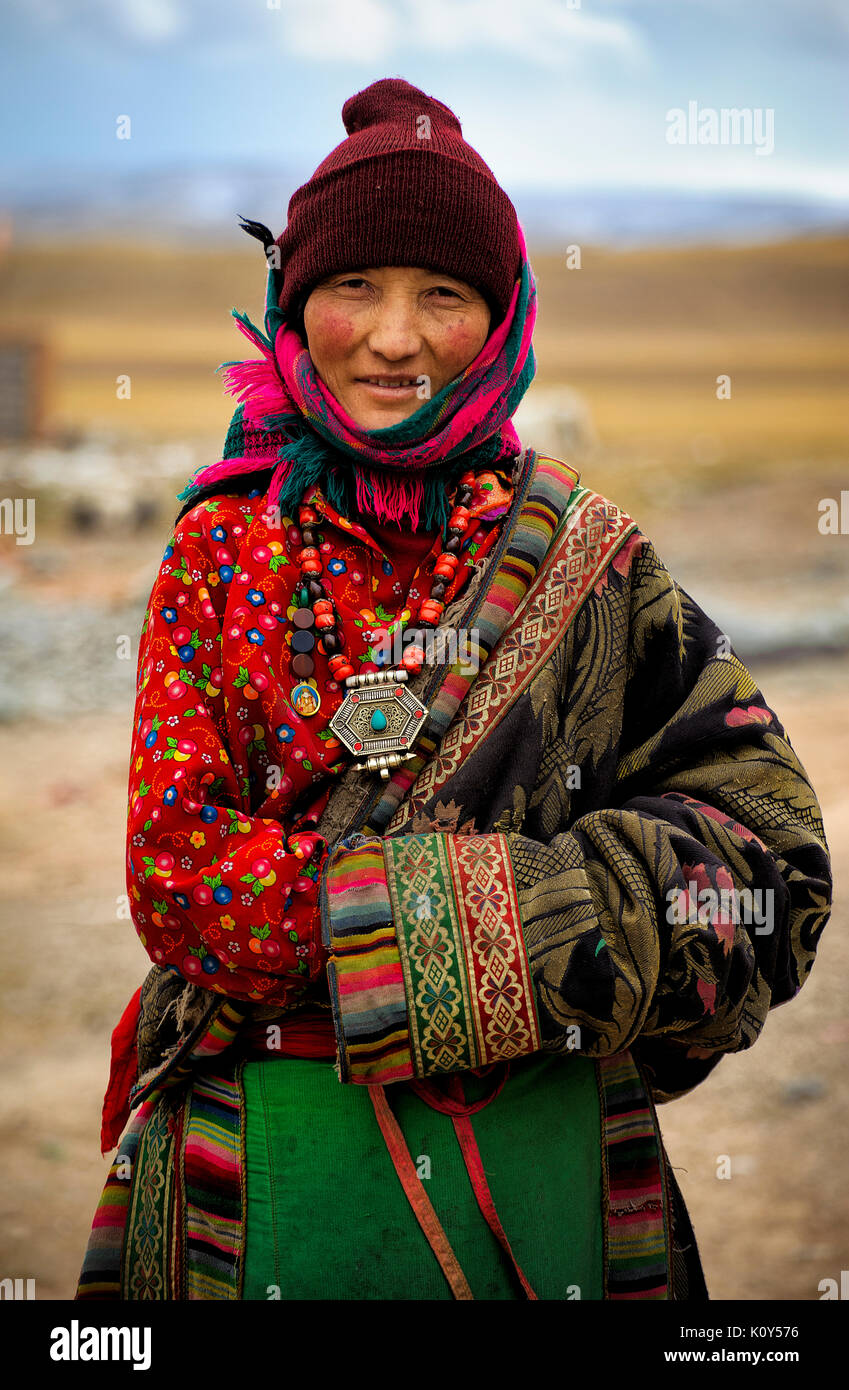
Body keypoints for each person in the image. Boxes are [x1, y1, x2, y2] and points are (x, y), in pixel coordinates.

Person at [76, 77, 832, 1302]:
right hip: (266, 1154)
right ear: (293, 300)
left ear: (505, 318)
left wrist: (445, 930)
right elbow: (177, 873)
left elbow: (774, 865)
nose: (393, 337)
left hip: (544, 1161)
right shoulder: (224, 549)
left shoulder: (594, 562)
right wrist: (478, 917)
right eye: (354, 288)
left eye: (444, 294)